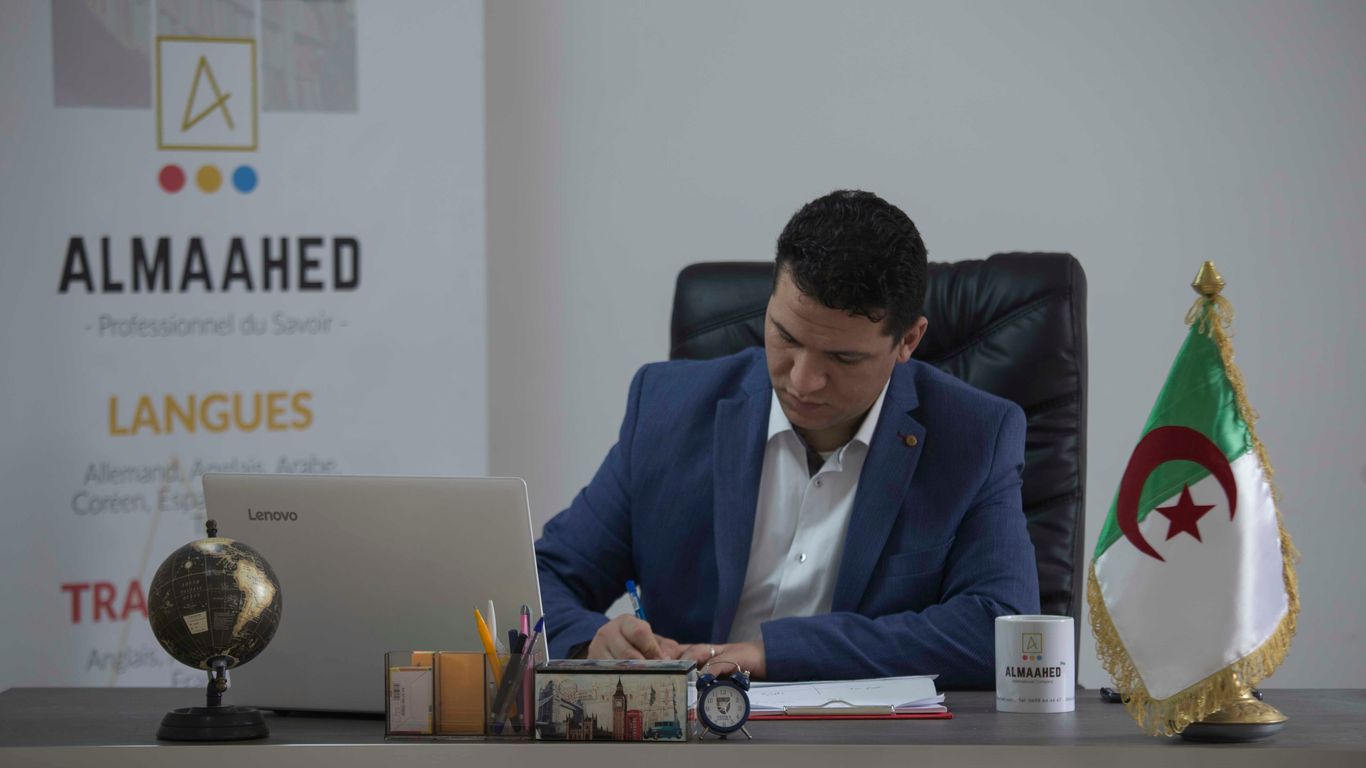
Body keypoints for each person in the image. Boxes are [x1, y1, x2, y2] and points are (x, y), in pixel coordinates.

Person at [535, 190, 1038, 687]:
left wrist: (774, 654)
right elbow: (542, 577)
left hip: (867, 733)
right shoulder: (667, 409)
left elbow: (1002, 629)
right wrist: (589, 644)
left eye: (843, 358)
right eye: (786, 337)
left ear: (908, 340)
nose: (802, 380)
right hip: (691, 729)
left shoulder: (976, 436)